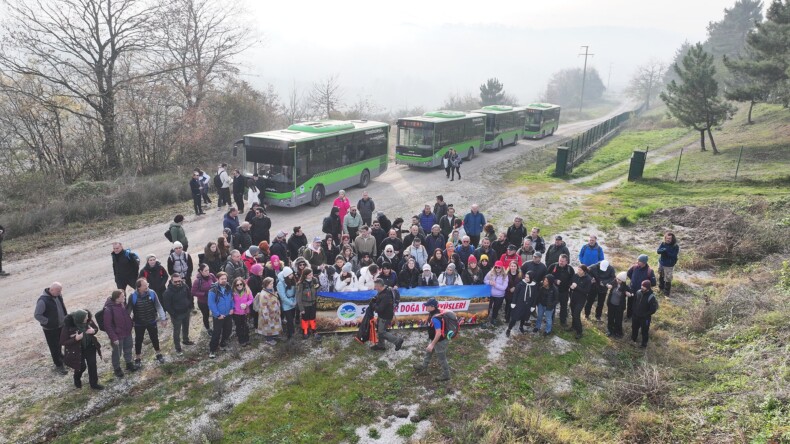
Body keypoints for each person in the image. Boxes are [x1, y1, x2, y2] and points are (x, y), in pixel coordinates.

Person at [127, 278, 167, 366]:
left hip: (152, 321)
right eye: (145, 285)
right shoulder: (132, 296)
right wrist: (128, 324)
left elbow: (159, 306)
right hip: (138, 323)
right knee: (138, 340)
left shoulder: (152, 293)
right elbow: (128, 312)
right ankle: (138, 358)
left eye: (147, 284)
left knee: (154, 338)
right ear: (139, 287)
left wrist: (163, 318)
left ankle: (158, 354)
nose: (147, 286)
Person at [60, 309, 103, 390]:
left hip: (90, 346)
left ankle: (94, 384)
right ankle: (76, 378)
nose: (88, 319)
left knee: (92, 364)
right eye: (85, 317)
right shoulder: (68, 326)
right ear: (79, 318)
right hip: (77, 350)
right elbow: (63, 341)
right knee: (81, 367)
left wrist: (93, 331)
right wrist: (75, 339)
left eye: (87, 316)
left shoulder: (88, 321)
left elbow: (95, 328)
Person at [34, 282, 69, 374]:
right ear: (51, 290)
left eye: (60, 291)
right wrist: (48, 322)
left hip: (61, 326)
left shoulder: (58, 295)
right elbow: (37, 315)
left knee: (60, 343)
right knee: (54, 347)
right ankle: (59, 365)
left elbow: (62, 308)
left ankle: (61, 358)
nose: (60, 292)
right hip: (50, 329)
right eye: (58, 291)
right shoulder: (43, 300)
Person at [413, 298, 451, 381]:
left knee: (442, 358)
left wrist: (432, 344)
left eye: (427, 305)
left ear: (432, 307)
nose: (426, 307)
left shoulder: (435, 318)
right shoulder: (434, 313)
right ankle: (424, 366)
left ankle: (446, 374)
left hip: (440, 341)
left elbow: (438, 333)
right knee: (428, 352)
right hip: (435, 339)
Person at [103, 289, 136, 378]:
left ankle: (129, 364)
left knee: (128, 348)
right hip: (117, 336)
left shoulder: (121, 304)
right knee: (117, 353)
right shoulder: (108, 309)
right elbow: (107, 326)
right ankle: (117, 369)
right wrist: (114, 338)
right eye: (122, 296)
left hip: (127, 332)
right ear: (117, 298)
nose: (124, 297)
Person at [161, 273, 194, 354]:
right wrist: (174, 314)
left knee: (186, 327)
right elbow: (167, 306)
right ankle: (178, 347)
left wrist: (190, 306)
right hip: (177, 315)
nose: (178, 283)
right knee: (177, 332)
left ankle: (185, 340)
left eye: (179, 281)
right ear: (171, 281)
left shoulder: (185, 286)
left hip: (186, 311)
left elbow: (189, 295)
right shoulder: (167, 292)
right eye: (175, 282)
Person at [369, 279, 405, 351]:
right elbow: (378, 297)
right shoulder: (386, 289)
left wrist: (373, 305)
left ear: (379, 286)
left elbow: (380, 308)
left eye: (375, 286)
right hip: (383, 315)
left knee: (382, 332)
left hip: (385, 316)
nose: (374, 288)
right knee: (380, 329)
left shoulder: (386, 296)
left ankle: (397, 340)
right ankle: (381, 345)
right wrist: (375, 299)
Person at [207, 272, 233, 358]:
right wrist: (218, 315)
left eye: (225, 279)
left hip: (228, 314)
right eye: (222, 279)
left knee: (228, 330)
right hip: (218, 316)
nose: (224, 280)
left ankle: (223, 344)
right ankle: (212, 350)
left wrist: (232, 308)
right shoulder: (213, 290)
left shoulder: (229, 288)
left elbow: (231, 299)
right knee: (216, 333)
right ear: (218, 279)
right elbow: (211, 304)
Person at [547, 254, 574, 327]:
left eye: (562, 261)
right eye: (559, 260)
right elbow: (547, 277)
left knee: (564, 306)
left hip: (564, 291)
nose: (560, 262)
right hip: (553, 291)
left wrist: (570, 284)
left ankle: (563, 321)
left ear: (566, 262)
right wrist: (555, 281)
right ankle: (550, 320)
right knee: (552, 306)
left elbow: (573, 279)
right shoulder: (553, 266)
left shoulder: (570, 269)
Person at [626, 254, 656, 320]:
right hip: (632, 290)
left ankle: (635, 317)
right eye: (637, 260)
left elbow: (653, 283)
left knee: (638, 305)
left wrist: (644, 286)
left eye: (639, 261)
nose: (637, 262)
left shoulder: (649, 271)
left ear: (644, 262)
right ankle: (628, 316)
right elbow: (628, 273)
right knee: (630, 303)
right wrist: (633, 281)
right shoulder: (634, 267)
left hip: (641, 293)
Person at [254, 277, 281, 345]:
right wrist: (266, 317)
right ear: (266, 285)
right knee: (268, 326)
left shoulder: (271, 290)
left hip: (274, 313)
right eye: (270, 284)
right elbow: (264, 307)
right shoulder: (264, 294)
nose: (272, 285)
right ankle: (269, 339)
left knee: (273, 325)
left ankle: (273, 335)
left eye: (272, 283)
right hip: (268, 314)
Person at [632, 280, 659, 348]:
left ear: (648, 287)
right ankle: (633, 339)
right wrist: (634, 311)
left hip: (645, 318)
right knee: (634, 328)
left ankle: (644, 344)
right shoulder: (638, 292)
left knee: (644, 331)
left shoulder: (651, 297)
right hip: (636, 315)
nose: (642, 287)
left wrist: (645, 315)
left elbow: (653, 310)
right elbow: (634, 302)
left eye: (644, 286)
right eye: (642, 285)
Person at [507, 272, 536, 336]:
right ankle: (509, 329)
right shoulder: (520, 284)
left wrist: (533, 306)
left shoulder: (534, 286)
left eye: (528, 277)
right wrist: (513, 302)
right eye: (525, 277)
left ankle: (521, 327)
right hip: (519, 304)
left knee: (524, 317)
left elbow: (534, 296)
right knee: (514, 318)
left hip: (527, 305)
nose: (526, 278)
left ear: (531, 278)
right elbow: (515, 294)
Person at [193, 264, 217, 336]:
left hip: (213, 300)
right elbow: (193, 292)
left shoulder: (212, 276)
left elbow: (216, 284)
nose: (207, 272)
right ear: (201, 271)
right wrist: (204, 294)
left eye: (208, 270)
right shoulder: (197, 281)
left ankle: (216, 327)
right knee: (206, 315)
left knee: (215, 313)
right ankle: (208, 329)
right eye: (205, 271)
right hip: (203, 302)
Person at [296, 268, 320, 340]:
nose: (311, 276)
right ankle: (305, 331)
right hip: (305, 304)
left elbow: (317, 289)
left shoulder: (314, 280)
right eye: (309, 275)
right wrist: (301, 308)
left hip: (313, 303)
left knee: (312, 317)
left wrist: (318, 286)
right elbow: (299, 297)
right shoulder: (301, 284)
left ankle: (313, 330)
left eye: (312, 274)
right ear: (305, 275)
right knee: (305, 319)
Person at [569, 265, 593, 339]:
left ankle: (579, 331)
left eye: (580, 270)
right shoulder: (575, 276)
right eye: (578, 269)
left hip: (581, 299)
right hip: (573, 297)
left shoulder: (588, 279)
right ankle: (573, 326)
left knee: (576, 314)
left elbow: (587, 291)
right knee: (573, 313)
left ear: (584, 271)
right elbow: (571, 283)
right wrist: (571, 287)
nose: (578, 271)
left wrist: (577, 287)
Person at [231, 277, 253, 346]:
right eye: (237, 285)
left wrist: (246, 304)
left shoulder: (247, 290)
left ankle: (247, 338)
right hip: (236, 312)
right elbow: (230, 301)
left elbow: (251, 299)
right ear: (235, 285)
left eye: (241, 284)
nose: (239, 286)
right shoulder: (232, 292)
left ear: (243, 284)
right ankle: (241, 340)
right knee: (239, 326)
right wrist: (233, 308)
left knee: (245, 325)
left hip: (245, 312)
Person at [277, 267, 297, 341]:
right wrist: (291, 303)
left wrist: (295, 301)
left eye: (292, 273)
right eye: (290, 274)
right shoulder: (280, 284)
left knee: (292, 318)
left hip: (293, 302)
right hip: (286, 305)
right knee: (289, 320)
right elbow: (283, 297)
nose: (292, 275)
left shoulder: (292, 280)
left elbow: (296, 292)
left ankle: (292, 332)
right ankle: (290, 335)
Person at [485, 261, 509, 326]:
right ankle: (485, 318)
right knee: (488, 307)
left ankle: (494, 318)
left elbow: (504, 287)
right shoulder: (491, 273)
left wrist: (495, 285)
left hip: (499, 295)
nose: (497, 269)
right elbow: (485, 280)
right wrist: (489, 282)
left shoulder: (505, 275)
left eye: (499, 267)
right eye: (496, 267)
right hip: (490, 294)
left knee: (496, 308)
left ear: (502, 268)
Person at [607, 272, 629, 338]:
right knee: (610, 318)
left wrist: (629, 294)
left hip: (619, 307)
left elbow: (631, 292)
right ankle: (610, 331)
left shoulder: (625, 287)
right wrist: (608, 285)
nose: (617, 280)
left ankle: (618, 333)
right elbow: (607, 283)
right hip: (611, 304)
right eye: (617, 279)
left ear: (623, 281)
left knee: (618, 320)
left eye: (619, 280)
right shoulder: (614, 282)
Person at [657, 232, 679, 296]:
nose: (667, 240)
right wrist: (662, 250)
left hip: (669, 265)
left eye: (669, 238)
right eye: (666, 238)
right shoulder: (663, 243)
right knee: (661, 275)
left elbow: (674, 255)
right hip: (661, 263)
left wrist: (666, 251)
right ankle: (661, 288)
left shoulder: (675, 246)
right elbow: (658, 251)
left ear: (672, 239)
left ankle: (666, 292)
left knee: (668, 278)